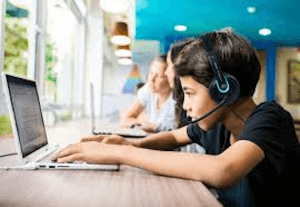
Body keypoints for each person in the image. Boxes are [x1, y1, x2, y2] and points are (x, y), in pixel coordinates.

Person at [54, 28, 300, 206]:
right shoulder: (218, 123)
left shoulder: (271, 119)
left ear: (223, 89)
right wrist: (131, 143)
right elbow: (172, 136)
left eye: (190, 93)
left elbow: (223, 169)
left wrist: (123, 154)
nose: (186, 105)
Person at [121, 54, 176, 132]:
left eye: (158, 76)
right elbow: (126, 118)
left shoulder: (178, 98)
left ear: (170, 77)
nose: (151, 79)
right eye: (151, 73)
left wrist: (153, 127)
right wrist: (140, 124)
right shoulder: (148, 89)